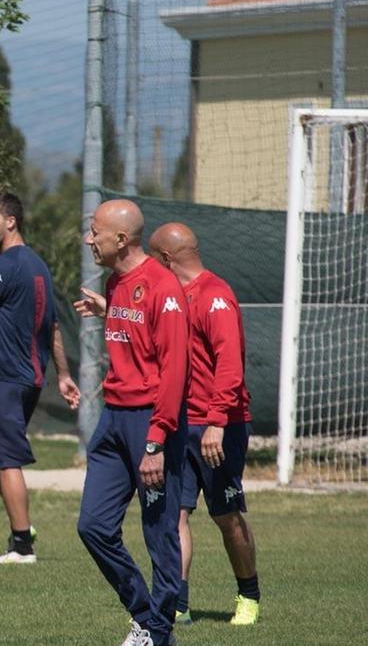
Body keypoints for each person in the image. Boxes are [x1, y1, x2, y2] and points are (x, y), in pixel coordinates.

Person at [75, 199, 188, 646]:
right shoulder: (116, 282)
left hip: (151, 422)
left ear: (121, 239)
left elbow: (174, 371)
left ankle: (158, 631)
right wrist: (109, 309)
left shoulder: (164, 286)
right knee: (93, 526)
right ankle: (145, 615)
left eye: (95, 231)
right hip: (113, 418)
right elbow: (136, 329)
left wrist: (156, 442)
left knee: (159, 533)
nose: (89, 239)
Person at [0, 192, 79, 564]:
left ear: (11, 221)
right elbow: (53, 326)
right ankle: (22, 525)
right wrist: (63, 375)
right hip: (29, 378)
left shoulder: (1, 266)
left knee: (6, 459)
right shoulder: (38, 265)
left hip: (6, 377)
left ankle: (22, 545)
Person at [148, 222, 260, 627]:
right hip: (182, 424)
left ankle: (249, 595)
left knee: (225, 516)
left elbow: (229, 364)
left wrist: (216, 421)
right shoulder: (175, 296)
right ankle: (178, 603)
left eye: (152, 259)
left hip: (220, 425)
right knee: (176, 515)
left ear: (166, 259)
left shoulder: (215, 296)